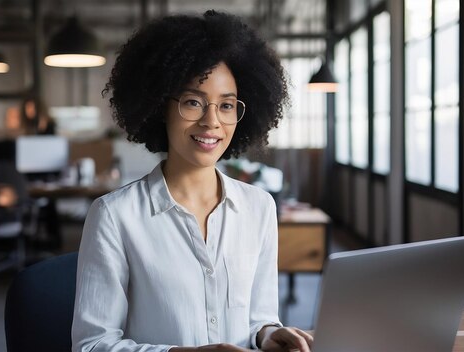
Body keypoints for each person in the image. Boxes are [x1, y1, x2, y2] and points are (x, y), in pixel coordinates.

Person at [72, 10, 313, 352]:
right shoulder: (114, 216)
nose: (211, 121)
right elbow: (92, 345)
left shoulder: (260, 207)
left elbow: (258, 316)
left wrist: (269, 334)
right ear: (159, 108)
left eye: (227, 105)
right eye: (192, 102)